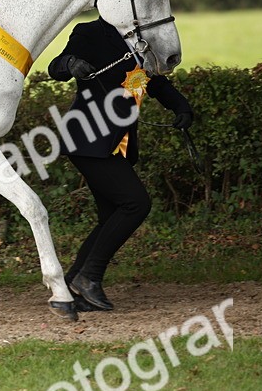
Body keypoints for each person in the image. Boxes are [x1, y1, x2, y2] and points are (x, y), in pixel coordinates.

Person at [48, 18, 193, 312]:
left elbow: (154, 81)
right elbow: (56, 66)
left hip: (116, 145)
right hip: (87, 140)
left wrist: (181, 106)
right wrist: (71, 63)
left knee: (112, 216)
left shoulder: (141, 39)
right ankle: (89, 277)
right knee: (136, 203)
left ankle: (75, 282)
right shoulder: (90, 32)